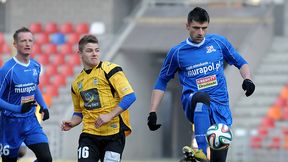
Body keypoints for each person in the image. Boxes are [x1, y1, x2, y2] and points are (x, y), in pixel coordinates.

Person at [147, 7, 255, 162]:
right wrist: (153, 111)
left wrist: (248, 80)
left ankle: (199, 158)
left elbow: (241, 63)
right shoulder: (177, 52)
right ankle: (201, 151)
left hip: (220, 106)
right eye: (196, 28)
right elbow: (162, 80)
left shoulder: (218, 43)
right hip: (193, 101)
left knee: (219, 158)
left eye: (204, 28)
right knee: (201, 98)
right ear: (187, 26)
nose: (201, 33)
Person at [61, 34, 136, 162]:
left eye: (97, 50)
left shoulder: (110, 70)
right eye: (89, 51)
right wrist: (72, 122)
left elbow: (130, 96)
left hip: (114, 135)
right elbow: (79, 112)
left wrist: (110, 115)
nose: (94, 54)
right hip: (89, 135)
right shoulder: (76, 83)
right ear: (80, 53)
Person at [0, 27, 52, 162]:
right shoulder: (7, 69)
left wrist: (44, 106)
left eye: (30, 40)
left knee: (46, 159)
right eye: (23, 41)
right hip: (10, 124)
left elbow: (34, 88)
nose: (27, 44)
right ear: (15, 44)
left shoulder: (35, 66)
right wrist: (18, 108)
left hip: (30, 121)